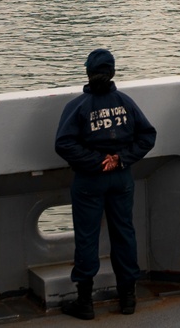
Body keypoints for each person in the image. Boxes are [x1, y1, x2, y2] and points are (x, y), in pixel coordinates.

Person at [55, 49, 157, 320]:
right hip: (121, 178)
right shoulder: (125, 102)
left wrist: (96, 161)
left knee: (87, 237)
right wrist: (120, 159)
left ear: (88, 72)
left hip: (90, 179)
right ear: (112, 72)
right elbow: (147, 136)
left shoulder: (77, 106)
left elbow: (63, 143)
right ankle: (128, 297)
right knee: (124, 233)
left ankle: (85, 301)